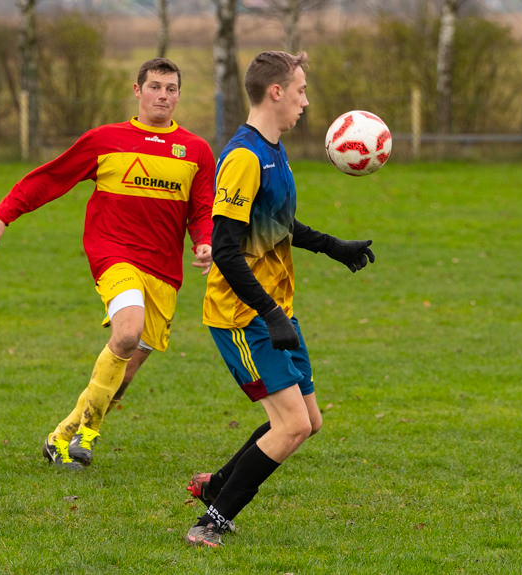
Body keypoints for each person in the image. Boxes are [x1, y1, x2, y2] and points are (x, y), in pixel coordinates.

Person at [0, 58, 216, 469]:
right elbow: (53, 177)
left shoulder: (196, 150)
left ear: (179, 94)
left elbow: (202, 208)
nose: (163, 95)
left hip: (164, 270)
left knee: (123, 373)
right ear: (137, 90)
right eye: (155, 87)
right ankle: (88, 434)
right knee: (126, 334)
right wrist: (4, 213)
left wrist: (205, 242)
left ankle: (64, 434)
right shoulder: (106, 139)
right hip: (114, 254)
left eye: (171, 88)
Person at [182, 50, 376, 548]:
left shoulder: (273, 150)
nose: (305, 102)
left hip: (272, 310)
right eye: (300, 90)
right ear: (276, 92)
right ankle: (212, 521)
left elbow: (279, 225)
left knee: (308, 422)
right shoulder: (244, 158)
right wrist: (269, 312)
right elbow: (225, 249)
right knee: (289, 426)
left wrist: (336, 248)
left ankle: (216, 486)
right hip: (242, 315)